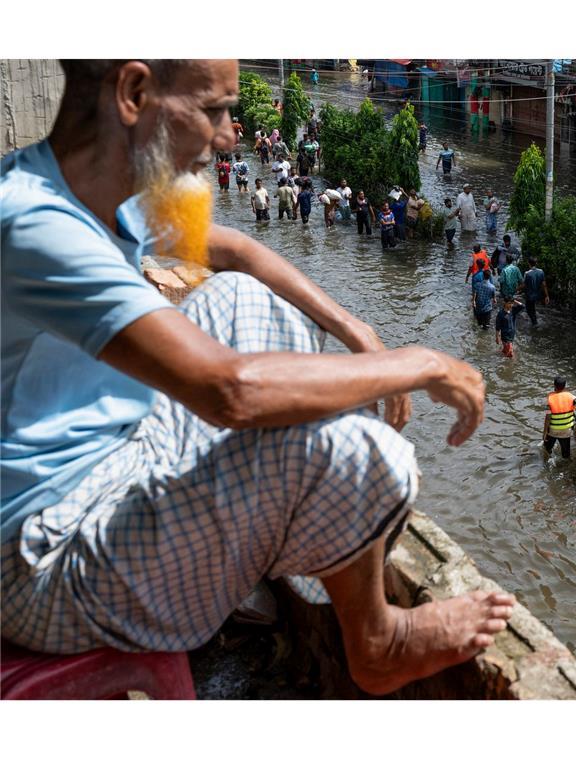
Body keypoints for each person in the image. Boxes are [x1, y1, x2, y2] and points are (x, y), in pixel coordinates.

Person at [1, 58, 512, 695]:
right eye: (212, 110)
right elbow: (230, 391)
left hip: (118, 459)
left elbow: (237, 251)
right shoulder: (33, 223)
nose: (226, 136)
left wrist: (359, 331)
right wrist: (420, 362)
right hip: (41, 557)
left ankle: (304, 550)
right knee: (356, 452)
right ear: (134, 94)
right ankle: (378, 639)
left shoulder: (90, 196)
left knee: (244, 295)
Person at [543, 377, 576, 459]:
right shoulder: (571, 396)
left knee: (547, 450)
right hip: (566, 430)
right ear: (565, 386)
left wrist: (544, 433)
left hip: (553, 430)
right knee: (566, 455)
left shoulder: (550, 398)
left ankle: (546, 463)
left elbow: (548, 418)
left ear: (554, 386)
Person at [522, 256, 549, 327]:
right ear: (536, 263)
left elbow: (524, 285)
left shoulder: (527, 273)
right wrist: (547, 296)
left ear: (529, 263)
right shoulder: (541, 271)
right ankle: (534, 321)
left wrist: (515, 289)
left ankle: (534, 323)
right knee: (532, 308)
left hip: (530, 295)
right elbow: (544, 285)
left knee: (528, 309)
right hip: (538, 295)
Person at [471, 265, 497, 329]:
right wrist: (494, 300)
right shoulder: (492, 287)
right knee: (486, 326)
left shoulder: (477, 285)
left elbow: (474, 295)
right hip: (487, 308)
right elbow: (494, 298)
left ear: (483, 276)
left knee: (479, 325)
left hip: (479, 307)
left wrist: (474, 301)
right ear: (489, 277)